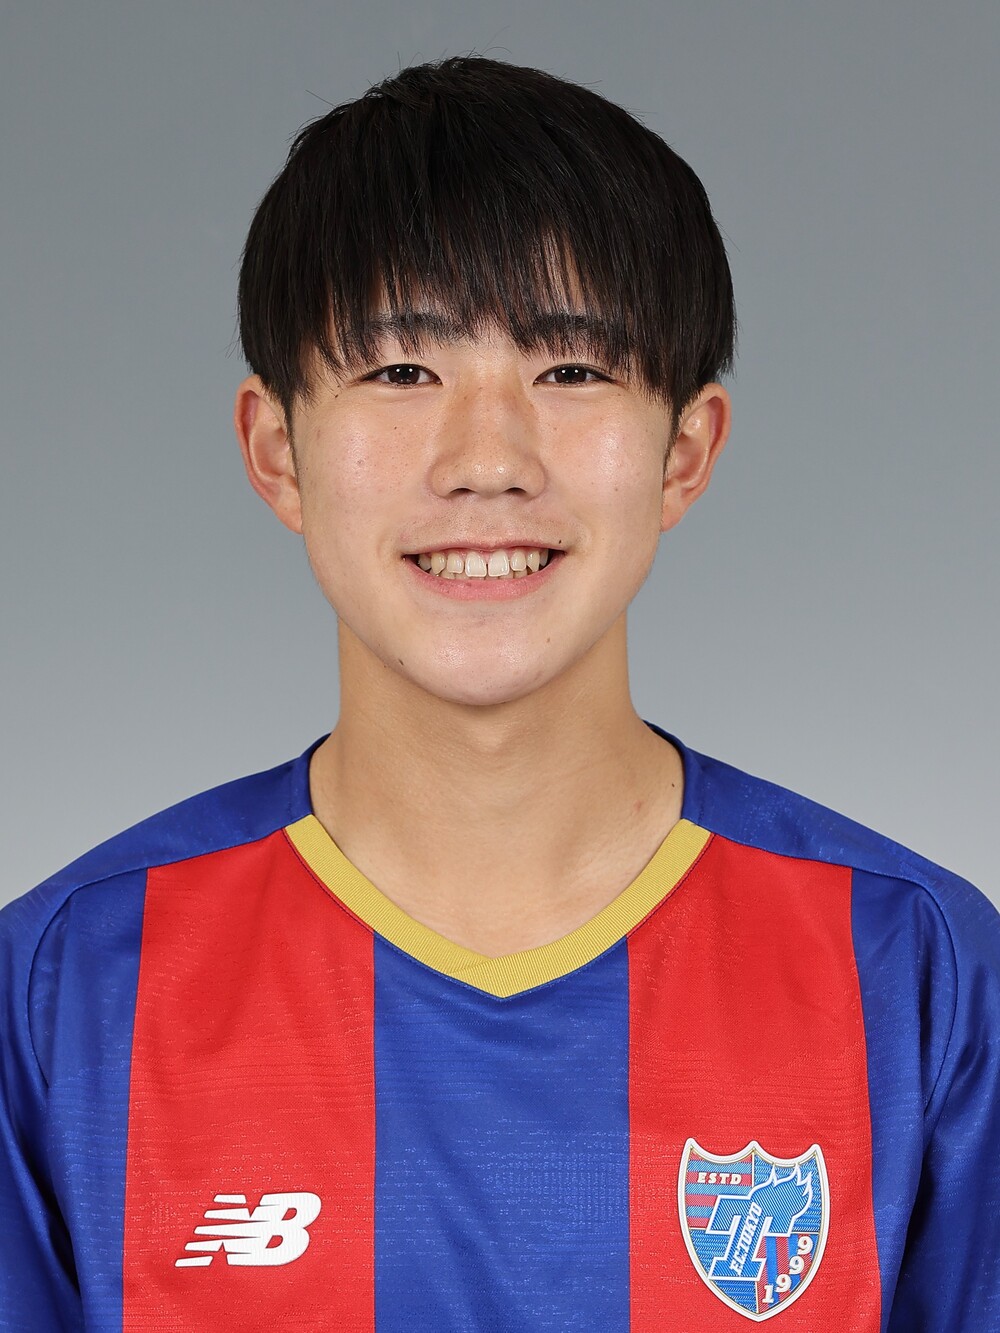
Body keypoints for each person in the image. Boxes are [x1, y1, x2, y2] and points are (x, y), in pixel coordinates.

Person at [1, 54, 997, 1332]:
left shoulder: (912, 968)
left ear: (684, 452)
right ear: (276, 448)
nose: (486, 460)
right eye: (400, 372)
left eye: (569, 370)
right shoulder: (71, 986)